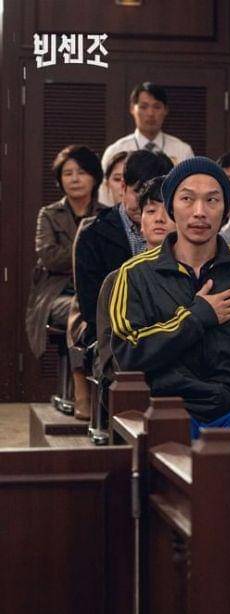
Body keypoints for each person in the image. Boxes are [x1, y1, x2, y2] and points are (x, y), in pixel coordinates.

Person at [109, 156, 230, 614]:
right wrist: (198, 316)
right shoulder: (135, 274)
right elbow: (126, 354)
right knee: (169, 467)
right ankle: (175, 574)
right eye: (188, 199)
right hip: (170, 412)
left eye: (212, 200)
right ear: (170, 207)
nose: (200, 211)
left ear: (227, 207)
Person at [73, 149, 174, 413]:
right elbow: (91, 307)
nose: (145, 199)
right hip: (115, 334)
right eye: (140, 191)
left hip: (170, 335)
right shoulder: (94, 234)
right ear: (123, 187)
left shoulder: (180, 234)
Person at [26, 145, 105, 416]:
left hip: (96, 290)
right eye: (67, 173)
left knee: (101, 307)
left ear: (94, 177)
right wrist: (87, 256)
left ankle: (106, 391)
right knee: (79, 307)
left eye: (81, 172)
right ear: (60, 180)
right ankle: (82, 390)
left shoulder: (106, 214)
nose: (74, 178)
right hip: (55, 294)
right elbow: (49, 257)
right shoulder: (48, 214)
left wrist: (78, 257)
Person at [93, 175, 174, 386]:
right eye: (151, 211)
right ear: (140, 225)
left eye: (168, 211)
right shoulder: (119, 279)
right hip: (131, 384)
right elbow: (111, 355)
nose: (159, 218)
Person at [100, 82, 193, 204]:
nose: (150, 113)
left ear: (166, 110)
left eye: (157, 107)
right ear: (132, 108)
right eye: (144, 107)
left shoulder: (182, 151)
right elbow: (104, 195)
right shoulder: (116, 150)